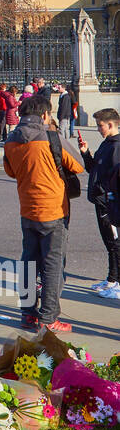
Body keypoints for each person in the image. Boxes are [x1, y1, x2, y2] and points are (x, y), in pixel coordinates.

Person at [3, 94, 84, 332]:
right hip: (53, 209)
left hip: (27, 209)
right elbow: (77, 165)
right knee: (52, 265)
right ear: (45, 115)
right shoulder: (50, 137)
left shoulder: (11, 140)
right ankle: (48, 318)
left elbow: (10, 171)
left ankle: (28, 313)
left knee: (28, 261)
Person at [79, 108, 120, 301]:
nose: (98, 129)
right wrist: (86, 153)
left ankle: (118, 283)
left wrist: (109, 196)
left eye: (100, 125)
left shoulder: (117, 147)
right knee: (109, 242)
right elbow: (94, 169)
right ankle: (112, 279)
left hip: (109, 202)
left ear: (111, 124)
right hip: (101, 200)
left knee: (115, 242)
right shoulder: (107, 144)